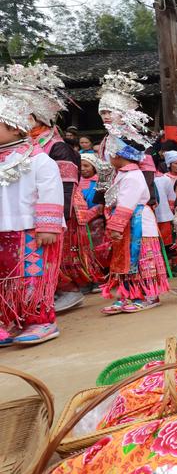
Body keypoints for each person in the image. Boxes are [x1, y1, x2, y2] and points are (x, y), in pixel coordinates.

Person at [5, 64, 84, 314]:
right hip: (22, 215)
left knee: (47, 260)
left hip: (53, 213)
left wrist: (58, 220)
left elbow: (65, 186)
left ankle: (65, 293)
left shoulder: (55, 147)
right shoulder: (17, 148)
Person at [0, 91, 65, 345]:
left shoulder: (39, 160)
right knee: (6, 279)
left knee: (32, 277)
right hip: (3, 230)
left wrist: (47, 226)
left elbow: (50, 191)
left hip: (30, 230)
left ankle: (42, 321)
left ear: (16, 128)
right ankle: (13, 321)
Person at [100, 110, 169, 314]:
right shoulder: (124, 174)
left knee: (141, 259)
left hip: (138, 222)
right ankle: (130, 293)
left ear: (119, 155)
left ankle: (148, 294)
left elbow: (126, 205)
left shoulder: (132, 176)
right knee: (128, 259)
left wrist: (115, 226)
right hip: (130, 224)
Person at [154, 151, 177, 254]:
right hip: (163, 214)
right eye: (176, 163)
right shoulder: (166, 178)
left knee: (168, 242)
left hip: (168, 215)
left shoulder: (164, 179)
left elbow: (172, 200)